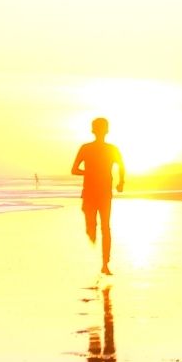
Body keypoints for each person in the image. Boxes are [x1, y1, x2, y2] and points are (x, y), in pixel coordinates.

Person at [71, 117, 125, 274]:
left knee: (105, 227)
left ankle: (105, 264)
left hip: (103, 193)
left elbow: (121, 166)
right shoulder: (86, 148)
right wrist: (90, 172)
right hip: (91, 192)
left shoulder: (111, 149)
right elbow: (74, 169)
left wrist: (121, 181)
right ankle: (92, 234)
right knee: (93, 227)